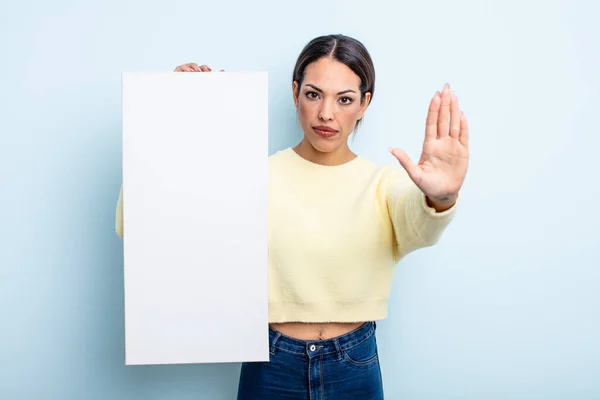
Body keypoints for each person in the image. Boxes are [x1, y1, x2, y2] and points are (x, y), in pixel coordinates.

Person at [115, 34, 469, 399]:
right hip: (270, 363)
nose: (326, 113)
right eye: (314, 94)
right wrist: (165, 121)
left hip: (353, 364)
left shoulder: (383, 184)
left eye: (344, 99)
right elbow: (141, 226)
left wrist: (441, 195)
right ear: (296, 92)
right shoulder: (251, 178)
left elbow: (421, 226)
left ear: (364, 103)